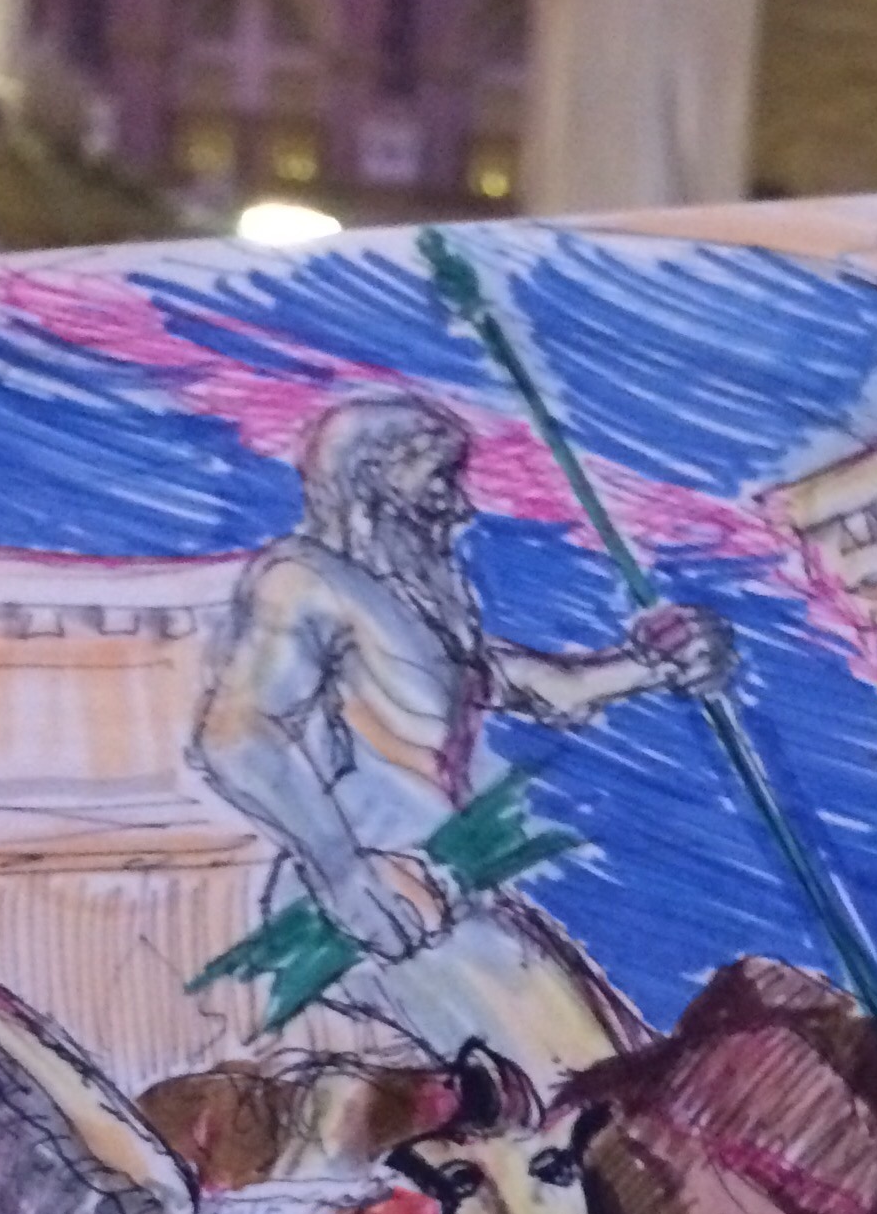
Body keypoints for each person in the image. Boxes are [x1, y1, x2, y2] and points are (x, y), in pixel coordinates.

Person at [192, 391, 733, 1081]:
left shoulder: (421, 611)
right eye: (439, 480)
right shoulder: (302, 582)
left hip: (445, 889)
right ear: (376, 478)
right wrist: (345, 874)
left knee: (624, 1063)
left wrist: (661, 661)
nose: (461, 508)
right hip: (379, 907)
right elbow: (237, 738)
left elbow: (546, 686)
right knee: (589, 1084)